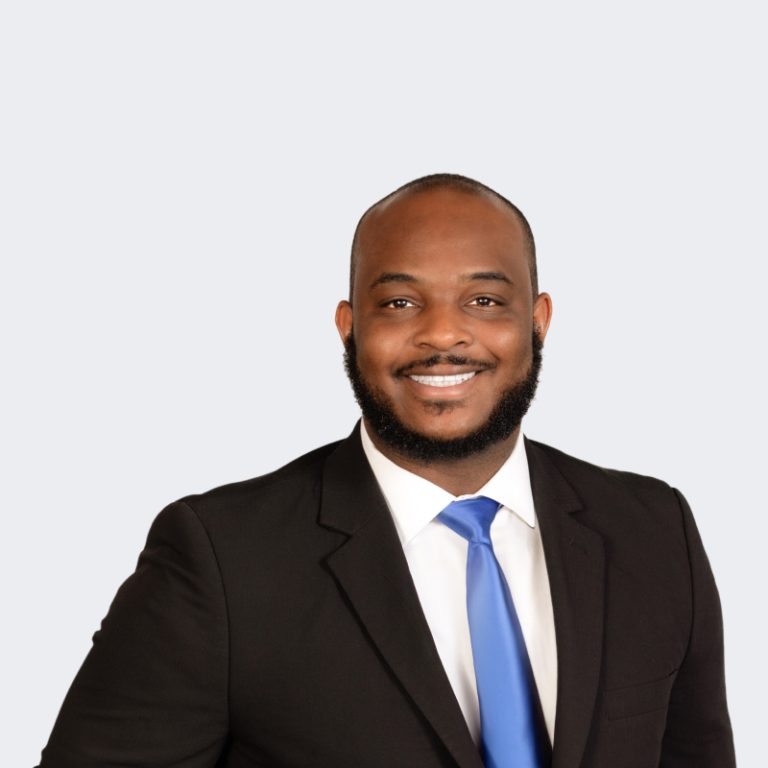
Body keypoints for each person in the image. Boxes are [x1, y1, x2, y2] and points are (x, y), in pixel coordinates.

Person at [38, 174, 736, 767]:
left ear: (538, 320)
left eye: (485, 300)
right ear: (349, 327)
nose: (442, 334)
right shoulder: (221, 560)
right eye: (400, 303)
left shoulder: (654, 531)